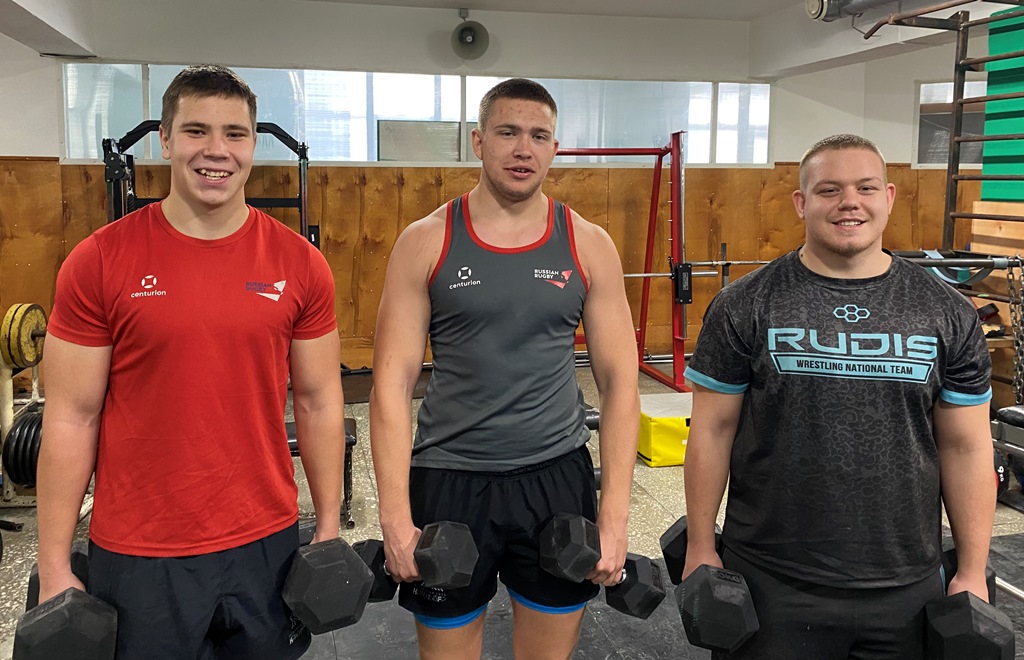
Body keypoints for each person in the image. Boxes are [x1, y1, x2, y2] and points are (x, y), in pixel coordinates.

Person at [36, 64, 344, 659]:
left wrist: (328, 524)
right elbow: (72, 417)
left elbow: (318, 400)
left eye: (235, 133)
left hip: (265, 538)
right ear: (165, 140)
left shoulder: (301, 263)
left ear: (253, 145)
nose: (216, 150)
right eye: (197, 131)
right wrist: (53, 563)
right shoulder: (99, 260)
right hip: (141, 548)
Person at [681, 133, 995, 659]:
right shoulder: (745, 304)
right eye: (829, 190)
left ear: (888, 198)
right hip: (771, 578)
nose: (850, 202)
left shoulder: (947, 311)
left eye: (865, 188)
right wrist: (700, 547)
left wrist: (971, 570)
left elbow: (966, 447)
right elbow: (712, 431)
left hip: (906, 585)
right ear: (801, 203)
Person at [369, 78, 640, 659]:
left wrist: (615, 518)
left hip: (555, 480)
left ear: (554, 148)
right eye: (508, 132)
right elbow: (391, 386)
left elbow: (621, 385)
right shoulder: (426, 242)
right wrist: (393, 516)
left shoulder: (588, 244)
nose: (523, 149)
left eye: (538, 136)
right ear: (478, 141)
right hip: (450, 478)